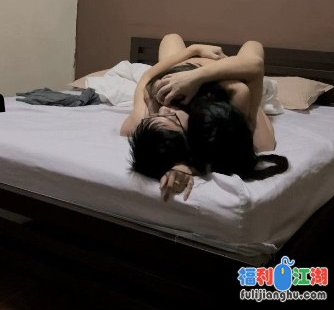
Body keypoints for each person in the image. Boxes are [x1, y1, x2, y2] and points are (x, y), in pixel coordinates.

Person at [121, 34, 285, 201]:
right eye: (172, 118)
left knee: (171, 38)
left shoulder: (145, 122)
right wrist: (186, 166)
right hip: (227, 72)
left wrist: (194, 51)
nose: (164, 109)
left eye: (156, 116)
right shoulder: (225, 111)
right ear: (193, 137)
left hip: (181, 66)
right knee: (253, 44)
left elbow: (147, 78)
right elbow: (252, 71)